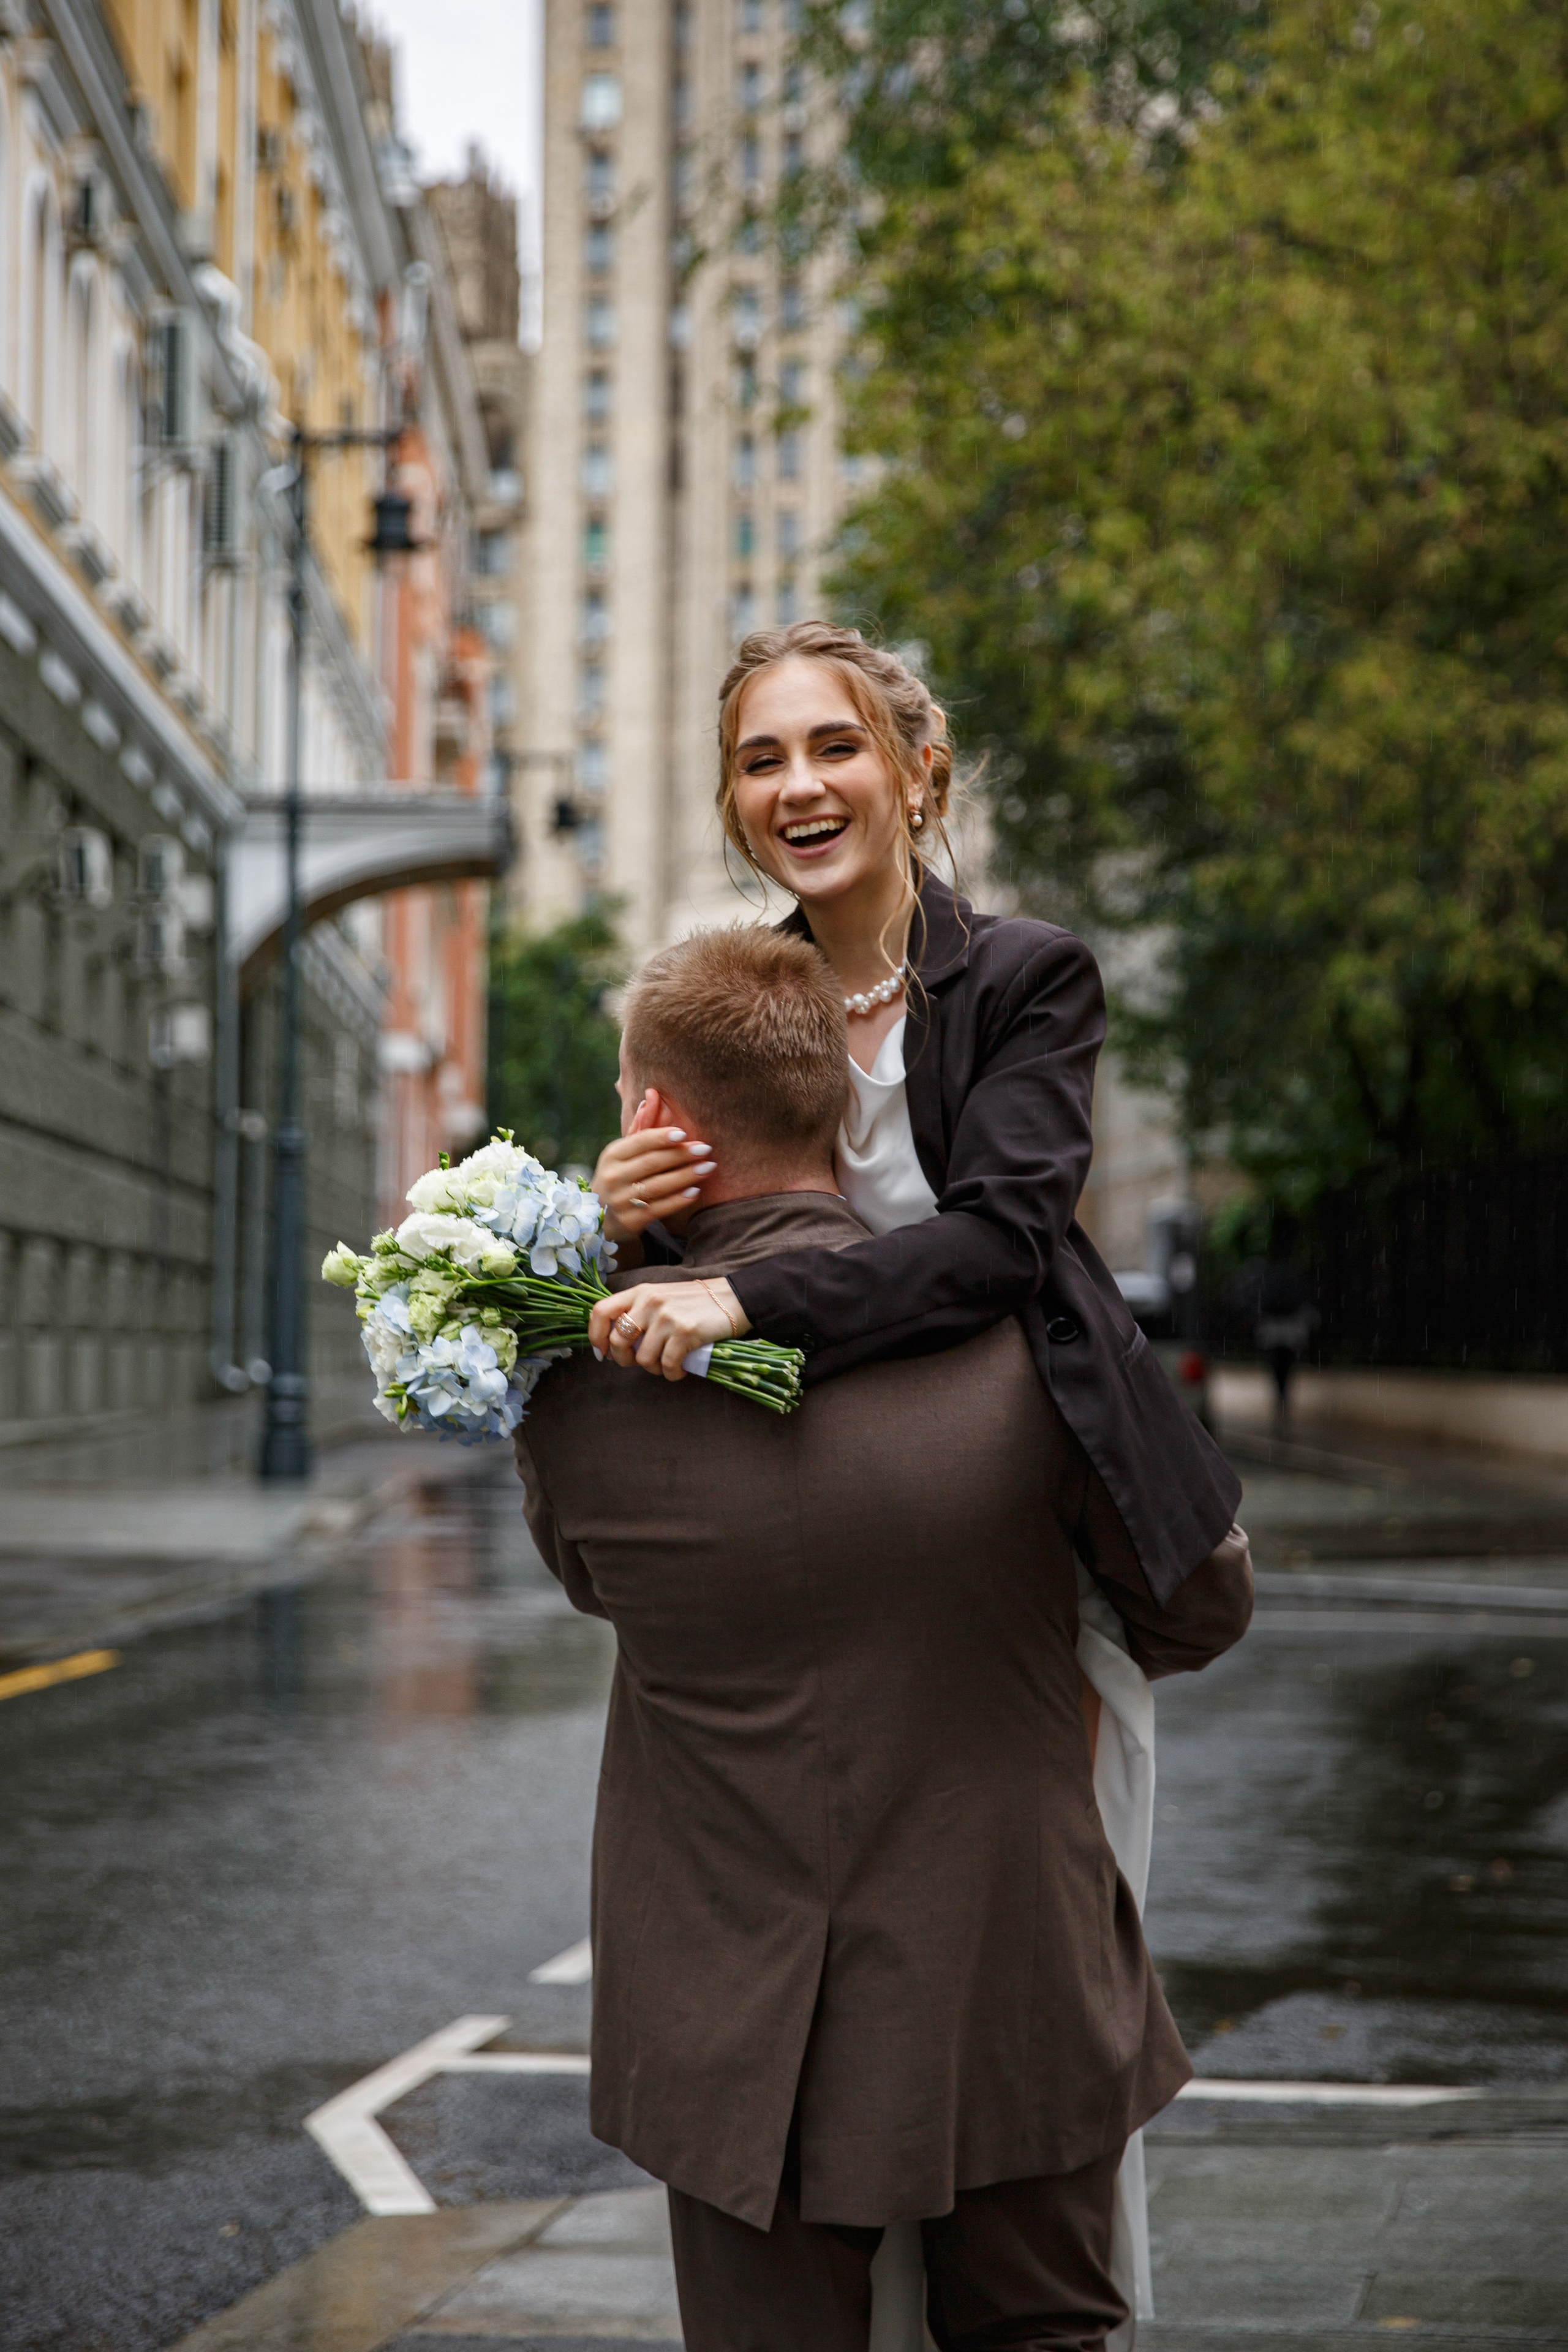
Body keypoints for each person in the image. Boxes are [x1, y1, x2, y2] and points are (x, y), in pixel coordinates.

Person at [585, 622, 1246, 2331]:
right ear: (735, 809)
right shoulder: (742, 989)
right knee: (826, 2036)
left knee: (1020, 1986)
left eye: (834, 746)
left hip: (1007, 1518)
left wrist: (750, 1290)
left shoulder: (1022, 974)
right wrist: (626, 1205)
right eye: (760, 761)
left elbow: (1003, 1241)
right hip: (807, 1508)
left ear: (915, 770)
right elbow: (703, 1204)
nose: (800, 785)